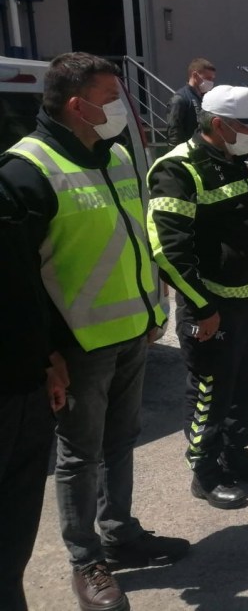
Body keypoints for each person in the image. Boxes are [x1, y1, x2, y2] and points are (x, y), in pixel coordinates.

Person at [1, 53, 188, 611]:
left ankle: (119, 532)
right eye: (111, 98)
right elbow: (18, 279)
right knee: (79, 455)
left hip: (132, 329)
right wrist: (47, 354)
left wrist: (153, 310)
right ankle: (86, 560)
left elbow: (136, 233)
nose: (122, 109)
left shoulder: (119, 154)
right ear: (78, 106)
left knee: (121, 440)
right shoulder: (26, 170)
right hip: (78, 344)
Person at [147, 85, 248, 510]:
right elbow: (169, 251)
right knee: (210, 389)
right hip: (211, 307)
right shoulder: (179, 169)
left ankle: (235, 453)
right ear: (219, 124)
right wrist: (203, 307)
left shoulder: (242, 160)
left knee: (243, 384)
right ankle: (204, 471)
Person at [0, 156, 65, 611]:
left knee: (13, 542)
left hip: (24, 383)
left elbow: (24, 280)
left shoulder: (6, 188)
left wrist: (47, 358)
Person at [165, 57, 216, 146]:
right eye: (208, 78)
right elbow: (174, 133)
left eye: (212, 79)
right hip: (188, 150)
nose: (211, 82)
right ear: (195, 75)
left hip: (203, 148)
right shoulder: (180, 99)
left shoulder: (205, 98)